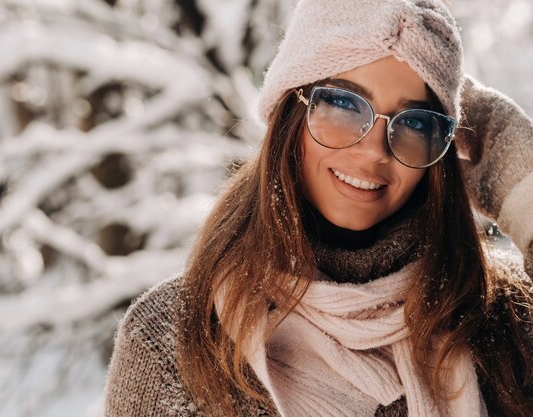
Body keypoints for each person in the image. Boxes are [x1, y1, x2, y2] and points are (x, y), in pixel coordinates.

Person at [103, 1, 533, 416]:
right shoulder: (172, 342)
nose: (374, 151)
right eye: (345, 104)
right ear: (291, 107)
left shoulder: (501, 319)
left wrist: (522, 183)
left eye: (415, 123)